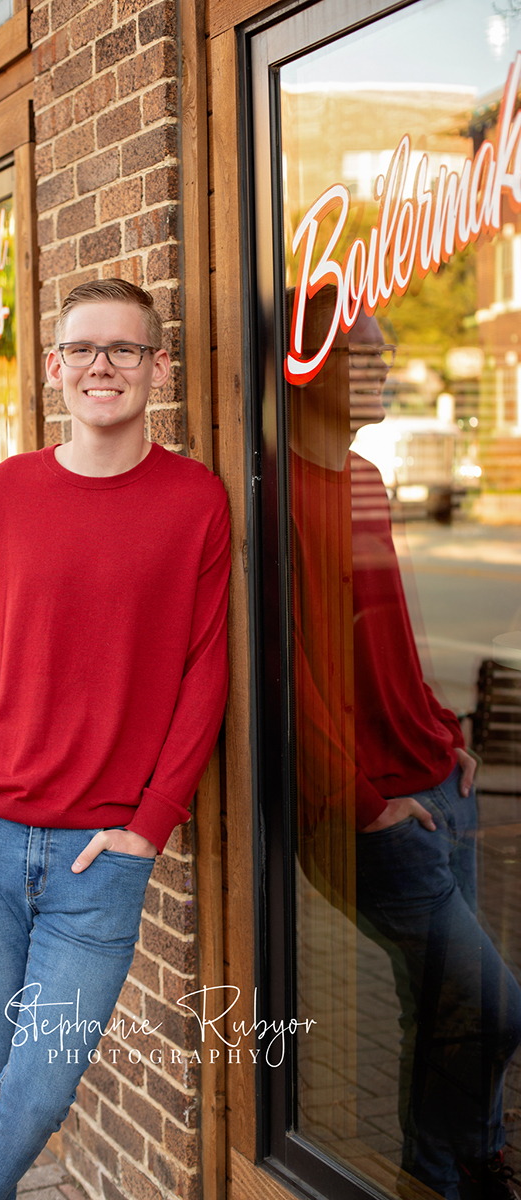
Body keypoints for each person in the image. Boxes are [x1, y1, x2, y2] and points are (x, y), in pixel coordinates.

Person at [0, 279, 231, 1200]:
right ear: (53, 368)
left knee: (40, 1086)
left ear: (157, 367)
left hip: (102, 859)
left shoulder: (195, 502)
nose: (102, 365)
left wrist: (150, 824)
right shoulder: (3, 494)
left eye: (124, 349)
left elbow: (203, 678)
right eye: (83, 349)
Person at [290, 291, 521, 1200]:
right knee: (493, 1004)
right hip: (379, 814)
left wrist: (441, 725)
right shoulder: (274, 491)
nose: (382, 356)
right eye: (360, 348)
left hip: (437, 777)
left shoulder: (361, 478)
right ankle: (440, 1169)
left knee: (444, 1007)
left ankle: (472, 1161)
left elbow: (378, 626)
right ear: (304, 365)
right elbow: (288, 672)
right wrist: (363, 803)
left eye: (382, 344)